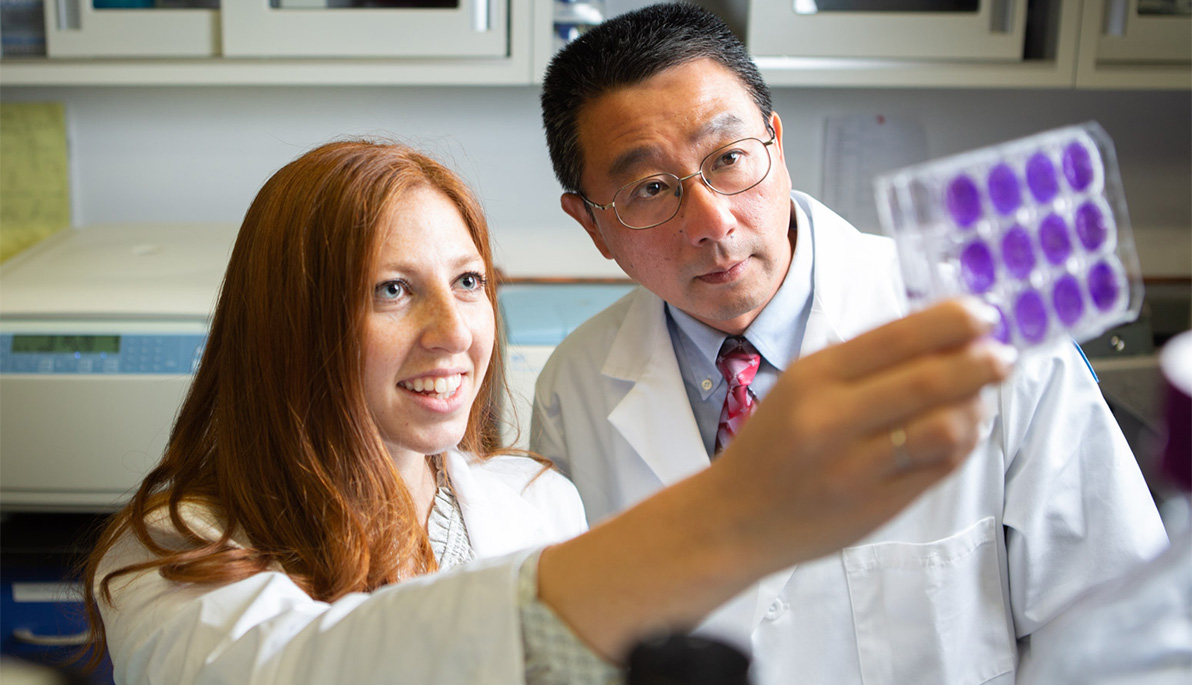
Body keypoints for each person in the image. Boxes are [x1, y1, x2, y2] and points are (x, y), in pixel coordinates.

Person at [81, 140, 1013, 684]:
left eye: (470, 282)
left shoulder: (531, 499)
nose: (456, 333)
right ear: (294, 323)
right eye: (394, 291)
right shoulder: (175, 554)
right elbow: (317, 666)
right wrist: (731, 516)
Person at [531, 4, 1170, 684]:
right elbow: (566, 648)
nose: (712, 222)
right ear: (592, 224)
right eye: (651, 188)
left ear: (775, 141)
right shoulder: (575, 389)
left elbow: (1128, 638)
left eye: (729, 158)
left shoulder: (986, 333)